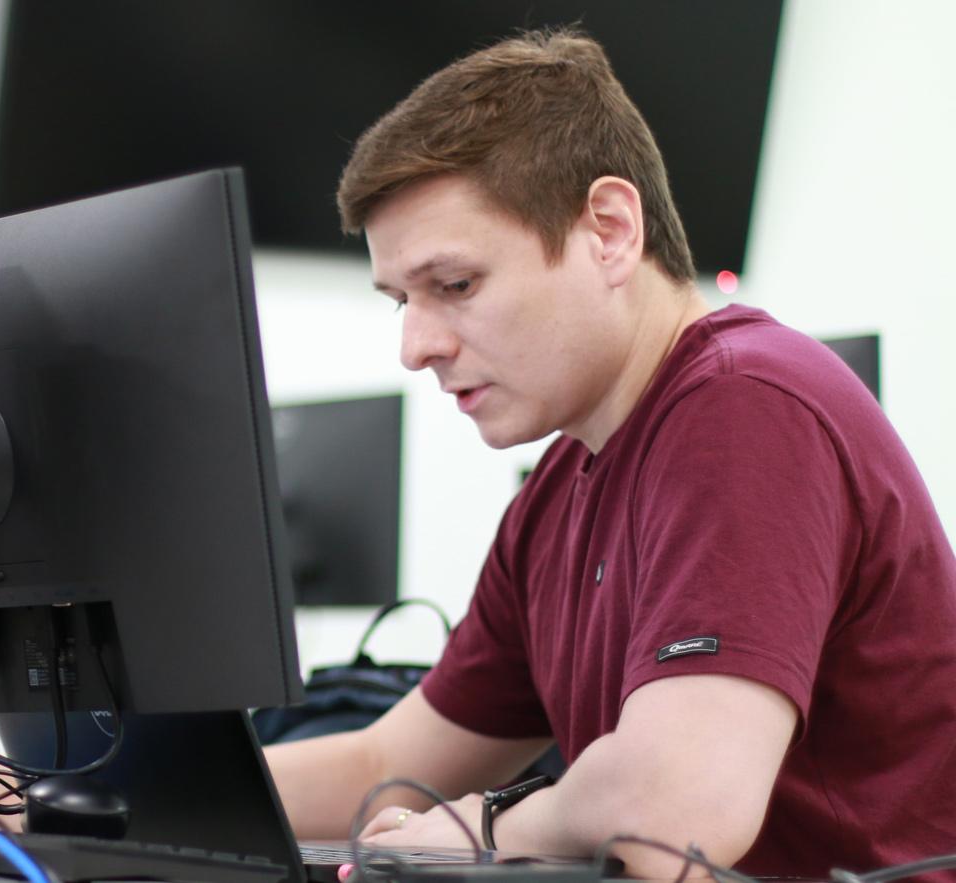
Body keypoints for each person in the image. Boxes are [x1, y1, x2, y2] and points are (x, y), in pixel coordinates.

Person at [262, 28, 956, 877]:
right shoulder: (556, 494)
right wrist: (99, 794)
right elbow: (384, 768)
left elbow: (679, 813)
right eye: (401, 299)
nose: (415, 345)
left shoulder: (745, 405)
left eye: (456, 285)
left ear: (611, 231)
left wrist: (490, 821)